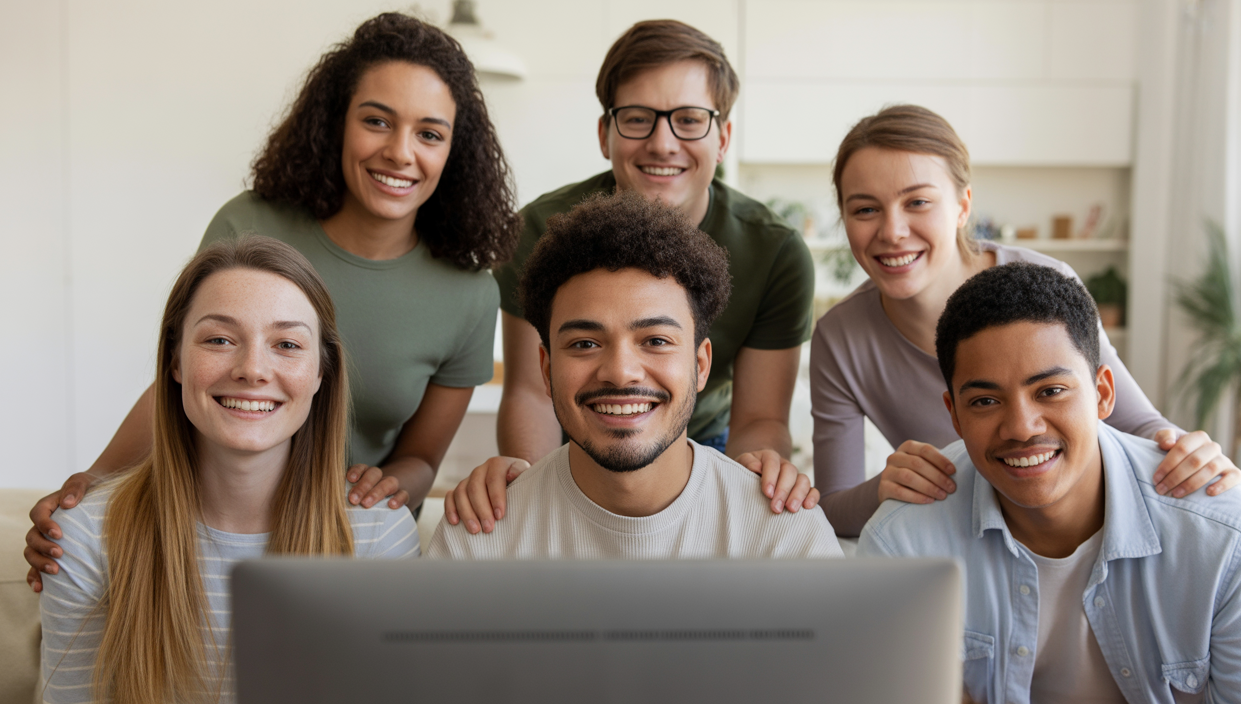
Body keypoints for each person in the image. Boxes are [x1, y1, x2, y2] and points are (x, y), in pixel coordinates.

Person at [26, 12, 519, 589]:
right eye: (377, 121)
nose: (400, 152)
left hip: (346, 545)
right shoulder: (249, 225)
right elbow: (186, 378)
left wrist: (388, 489)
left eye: (429, 134)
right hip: (208, 529)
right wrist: (92, 485)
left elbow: (422, 459)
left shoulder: (468, 294)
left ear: (454, 151)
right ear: (337, 123)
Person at [445, 19, 820, 536]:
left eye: (689, 120)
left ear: (723, 138)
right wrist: (532, 504)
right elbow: (533, 391)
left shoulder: (776, 251)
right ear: (605, 134)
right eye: (638, 118)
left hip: (708, 446)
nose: (663, 143)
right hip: (576, 437)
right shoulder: (536, 231)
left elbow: (759, 419)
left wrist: (742, 513)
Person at [811, 104, 1241, 537]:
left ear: (963, 206)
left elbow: (1137, 423)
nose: (892, 231)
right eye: (865, 210)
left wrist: (1186, 450)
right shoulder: (840, 338)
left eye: (918, 202)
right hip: (965, 542)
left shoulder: (1045, 285)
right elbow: (833, 507)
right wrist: (883, 488)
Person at [860, 263, 1241, 703]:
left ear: (1103, 394)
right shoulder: (902, 545)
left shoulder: (1230, 539)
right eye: (985, 401)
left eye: (1050, 391)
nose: (1021, 427)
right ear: (955, 415)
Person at [39, 236, 421, 703]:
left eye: (287, 344)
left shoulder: (380, 535)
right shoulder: (83, 538)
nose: (252, 369)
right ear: (175, 361)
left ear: (321, 373)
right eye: (219, 340)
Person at [429, 192, 841, 559]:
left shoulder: (784, 537)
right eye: (585, 343)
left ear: (700, 365)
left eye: (656, 340)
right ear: (547, 369)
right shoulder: (478, 541)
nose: (620, 372)